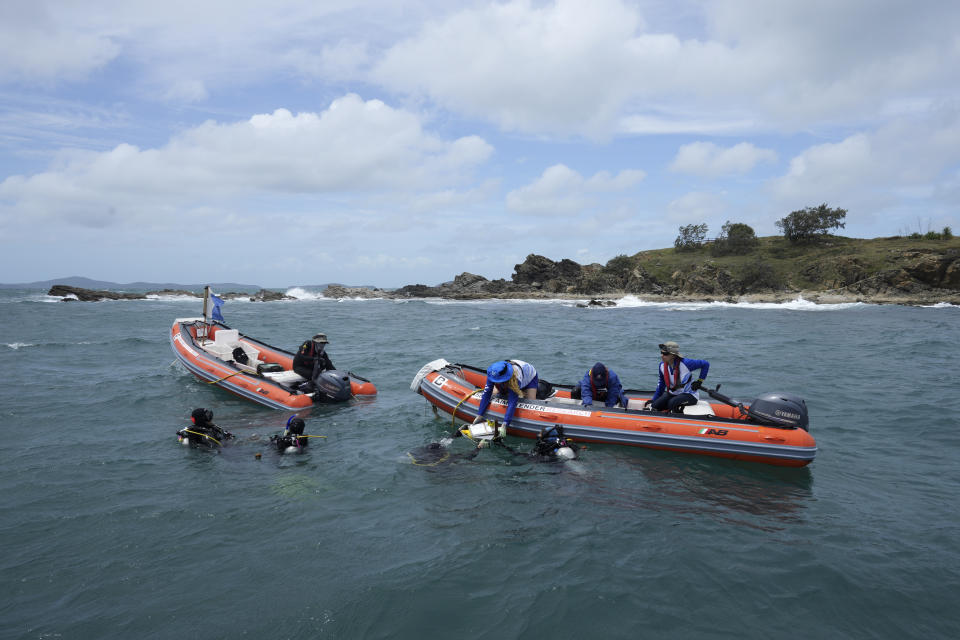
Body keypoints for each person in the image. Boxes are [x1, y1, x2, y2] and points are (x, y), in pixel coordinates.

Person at [645, 341, 709, 413]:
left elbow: (705, 364)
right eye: (661, 353)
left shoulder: (686, 363)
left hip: (690, 394)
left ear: (673, 355)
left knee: (672, 403)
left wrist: (700, 381)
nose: (662, 355)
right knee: (655, 405)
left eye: (665, 354)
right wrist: (654, 400)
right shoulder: (661, 366)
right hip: (673, 394)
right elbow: (661, 385)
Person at [473, 360, 539, 429]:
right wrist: (479, 415)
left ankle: (525, 391)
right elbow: (487, 393)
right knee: (495, 392)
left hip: (529, 376)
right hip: (507, 377)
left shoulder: (516, 378)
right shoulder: (493, 373)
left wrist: (505, 424)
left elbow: (512, 402)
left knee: (530, 401)